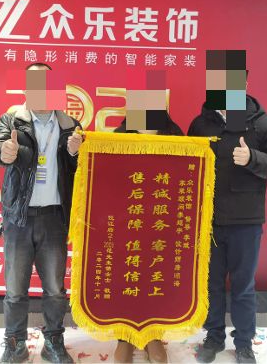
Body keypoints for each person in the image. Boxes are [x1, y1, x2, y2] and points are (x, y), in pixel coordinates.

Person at [0, 62, 83, 364]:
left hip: (54, 218)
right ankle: (15, 344)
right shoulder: (11, 120)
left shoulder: (70, 125)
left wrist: (75, 152)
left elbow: (81, 170)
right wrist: (4, 153)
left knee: (55, 288)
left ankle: (53, 342)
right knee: (15, 289)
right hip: (19, 217)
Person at [188, 93, 267, 364]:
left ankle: (244, 343)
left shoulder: (260, 122)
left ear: (243, 85)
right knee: (211, 284)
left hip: (246, 222)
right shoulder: (201, 124)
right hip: (208, 221)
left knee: (243, 286)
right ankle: (214, 338)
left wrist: (252, 157)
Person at [112, 110, 184, 363]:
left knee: (156, 278)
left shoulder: (176, 137)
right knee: (127, 278)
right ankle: (125, 338)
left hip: (160, 222)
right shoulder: (117, 139)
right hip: (128, 221)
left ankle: (153, 336)